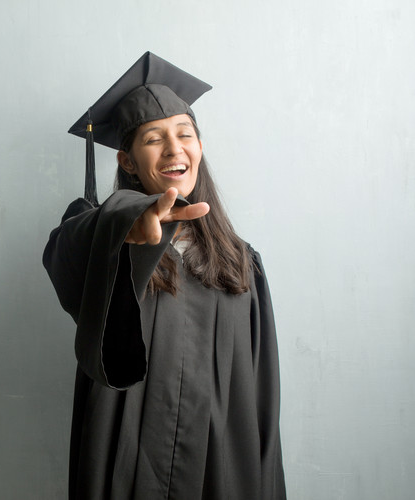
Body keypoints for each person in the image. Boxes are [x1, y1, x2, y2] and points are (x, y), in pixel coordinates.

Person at [43, 52, 286, 499]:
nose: (176, 149)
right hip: (127, 468)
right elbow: (67, 247)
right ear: (129, 161)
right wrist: (123, 223)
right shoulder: (101, 241)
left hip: (223, 469)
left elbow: (262, 402)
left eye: (185, 134)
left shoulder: (241, 263)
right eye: (155, 138)